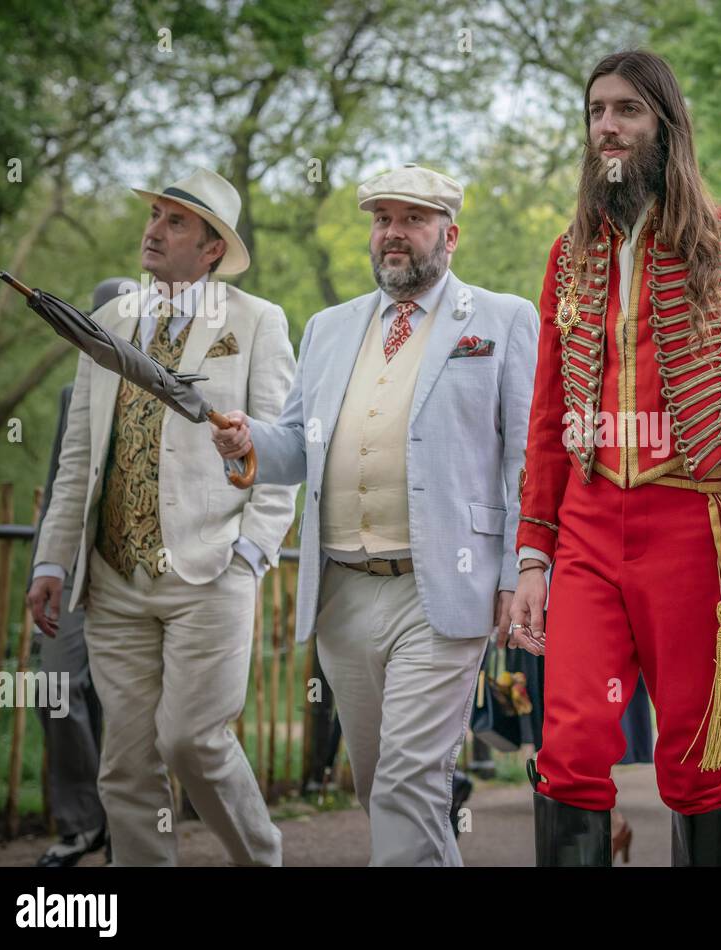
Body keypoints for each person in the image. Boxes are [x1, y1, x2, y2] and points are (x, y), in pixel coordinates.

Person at [510, 50, 721, 866]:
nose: (607, 125)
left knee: (695, 763)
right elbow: (545, 419)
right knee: (567, 750)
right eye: (597, 110)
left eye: (627, 110)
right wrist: (533, 553)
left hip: (695, 524)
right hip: (588, 530)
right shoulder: (567, 256)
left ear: (665, 126)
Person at [212, 165, 539, 866]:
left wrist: (519, 570)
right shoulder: (330, 328)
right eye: (382, 218)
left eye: (412, 219)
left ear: (450, 234)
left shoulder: (503, 319)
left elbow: (527, 461)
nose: (393, 233)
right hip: (344, 591)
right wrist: (247, 441)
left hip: (444, 585)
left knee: (408, 781)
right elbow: (297, 445)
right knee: (380, 786)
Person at [28, 169, 297, 866]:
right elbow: (80, 453)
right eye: (154, 214)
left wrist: (253, 552)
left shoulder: (257, 322)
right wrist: (55, 560)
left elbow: (283, 448)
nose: (153, 230)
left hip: (211, 571)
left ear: (212, 249)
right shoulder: (109, 324)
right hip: (115, 576)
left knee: (192, 739)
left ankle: (260, 858)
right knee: (126, 760)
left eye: (176, 222)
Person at [28, 278, 134, 867]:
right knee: (54, 682)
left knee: (131, 704)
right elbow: (60, 489)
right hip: (74, 567)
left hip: (144, 570)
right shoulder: (76, 394)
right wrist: (42, 571)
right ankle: (81, 823)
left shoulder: (169, 385)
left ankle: (130, 829)